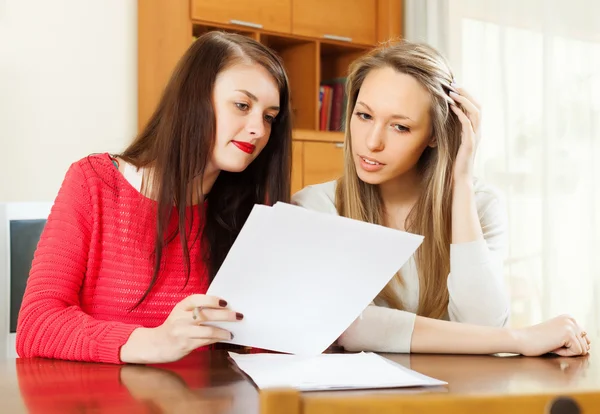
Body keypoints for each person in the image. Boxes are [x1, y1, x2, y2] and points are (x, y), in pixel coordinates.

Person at [292, 40, 591, 357]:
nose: (372, 141)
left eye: (400, 126)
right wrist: (519, 339)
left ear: (435, 134)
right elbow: (348, 325)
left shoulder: (480, 205)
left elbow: (484, 325)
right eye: (364, 115)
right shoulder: (314, 208)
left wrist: (460, 179)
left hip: (453, 395)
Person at [16, 31, 292, 364]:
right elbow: (37, 323)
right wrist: (153, 342)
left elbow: (258, 345)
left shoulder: (246, 213)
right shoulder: (94, 182)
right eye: (242, 105)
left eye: (269, 117)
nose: (259, 130)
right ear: (195, 99)